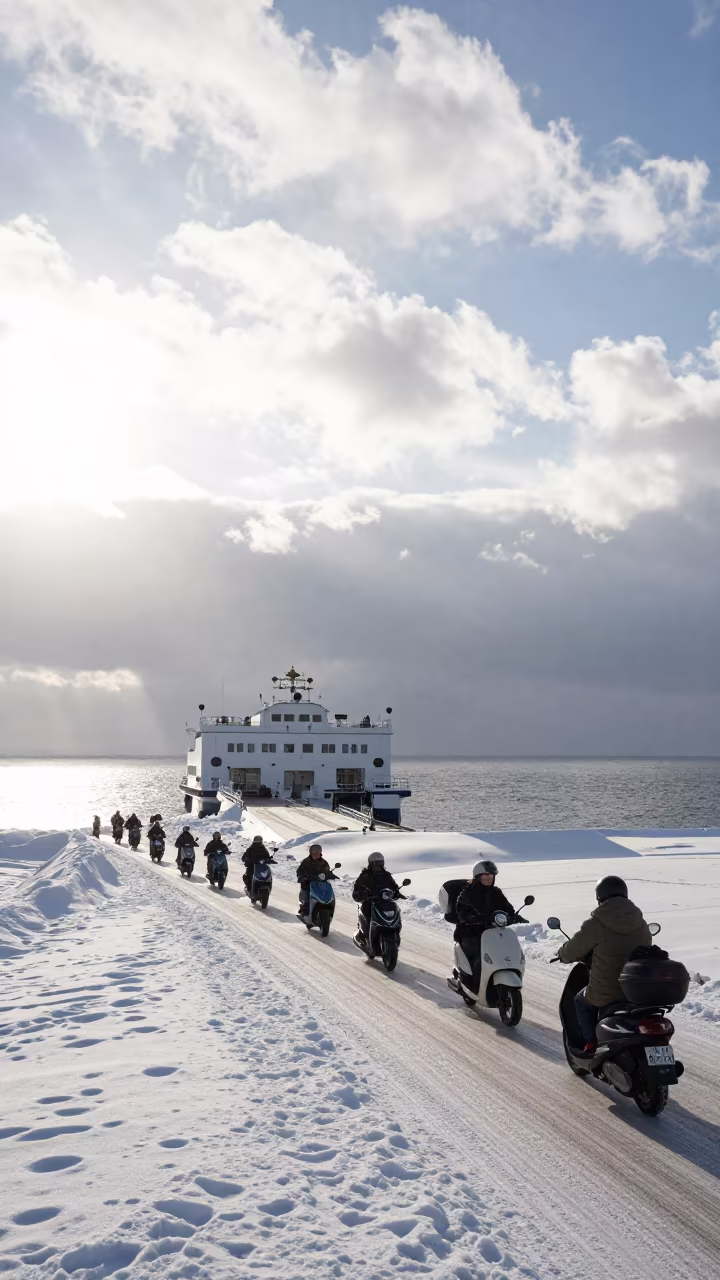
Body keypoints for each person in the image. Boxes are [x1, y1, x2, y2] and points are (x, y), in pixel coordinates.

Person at [557, 875, 652, 1054]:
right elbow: (647, 945)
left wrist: (562, 954)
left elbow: (573, 950)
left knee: (580, 1001)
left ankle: (591, 1042)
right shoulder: (640, 921)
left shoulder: (596, 923)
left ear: (599, 897)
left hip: (607, 991)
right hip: (636, 989)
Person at [452, 860, 520, 975]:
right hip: (470, 931)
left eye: (491, 875)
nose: (489, 878)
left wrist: (514, 917)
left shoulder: (496, 892)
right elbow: (463, 914)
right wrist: (476, 918)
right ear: (478, 877)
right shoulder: (467, 894)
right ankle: (468, 976)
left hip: (493, 930)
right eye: (486, 875)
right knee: (477, 952)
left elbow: (508, 909)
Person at [352, 852, 404, 943]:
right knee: (366, 914)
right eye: (376, 864)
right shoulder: (365, 875)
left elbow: (393, 886)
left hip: (384, 901)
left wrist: (397, 892)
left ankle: (396, 933)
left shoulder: (386, 875)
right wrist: (361, 893)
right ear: (371, 864)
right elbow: (358, 887)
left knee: (396, 910)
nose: (378, 866)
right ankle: (365, 937)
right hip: (370, 902)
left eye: (380, 863)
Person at [296, 843, 337, 917]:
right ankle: (304, 909)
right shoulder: (306, 862)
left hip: (321, 884)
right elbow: (299, 871)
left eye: (318, 851)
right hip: (308, 883)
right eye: (314, 851)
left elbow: (327, 871)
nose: (316, 853)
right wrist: (303, 877)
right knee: (305, 894)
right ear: (310, 852)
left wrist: (331, 875)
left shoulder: (324, 863)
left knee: (329, 894)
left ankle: (330, 907)